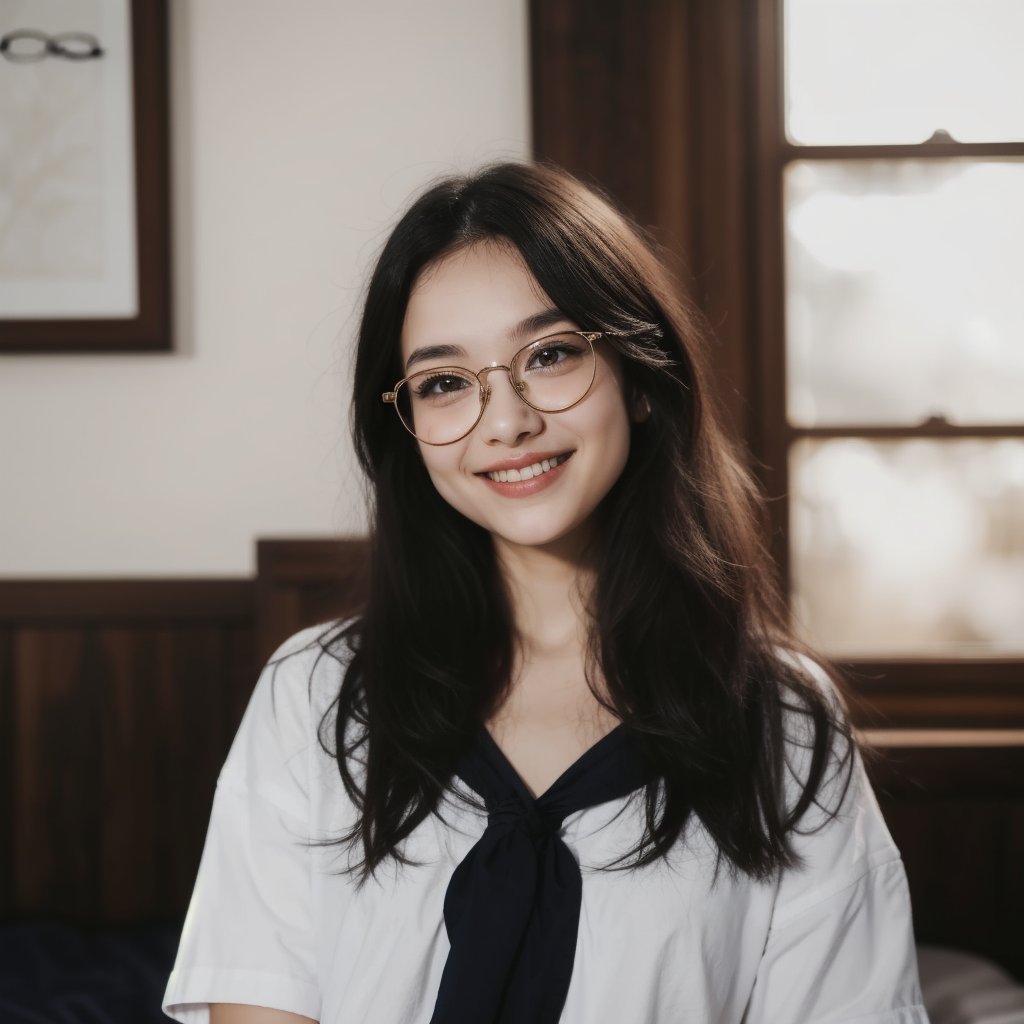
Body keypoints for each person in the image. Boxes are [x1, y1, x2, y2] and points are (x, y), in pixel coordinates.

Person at [162, 162, 929, 1024]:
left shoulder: (780, 721)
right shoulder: (316, 694)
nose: (506, 421)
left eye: (552, 354)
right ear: (405, 425)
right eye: (445, 382)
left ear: (641, 376)